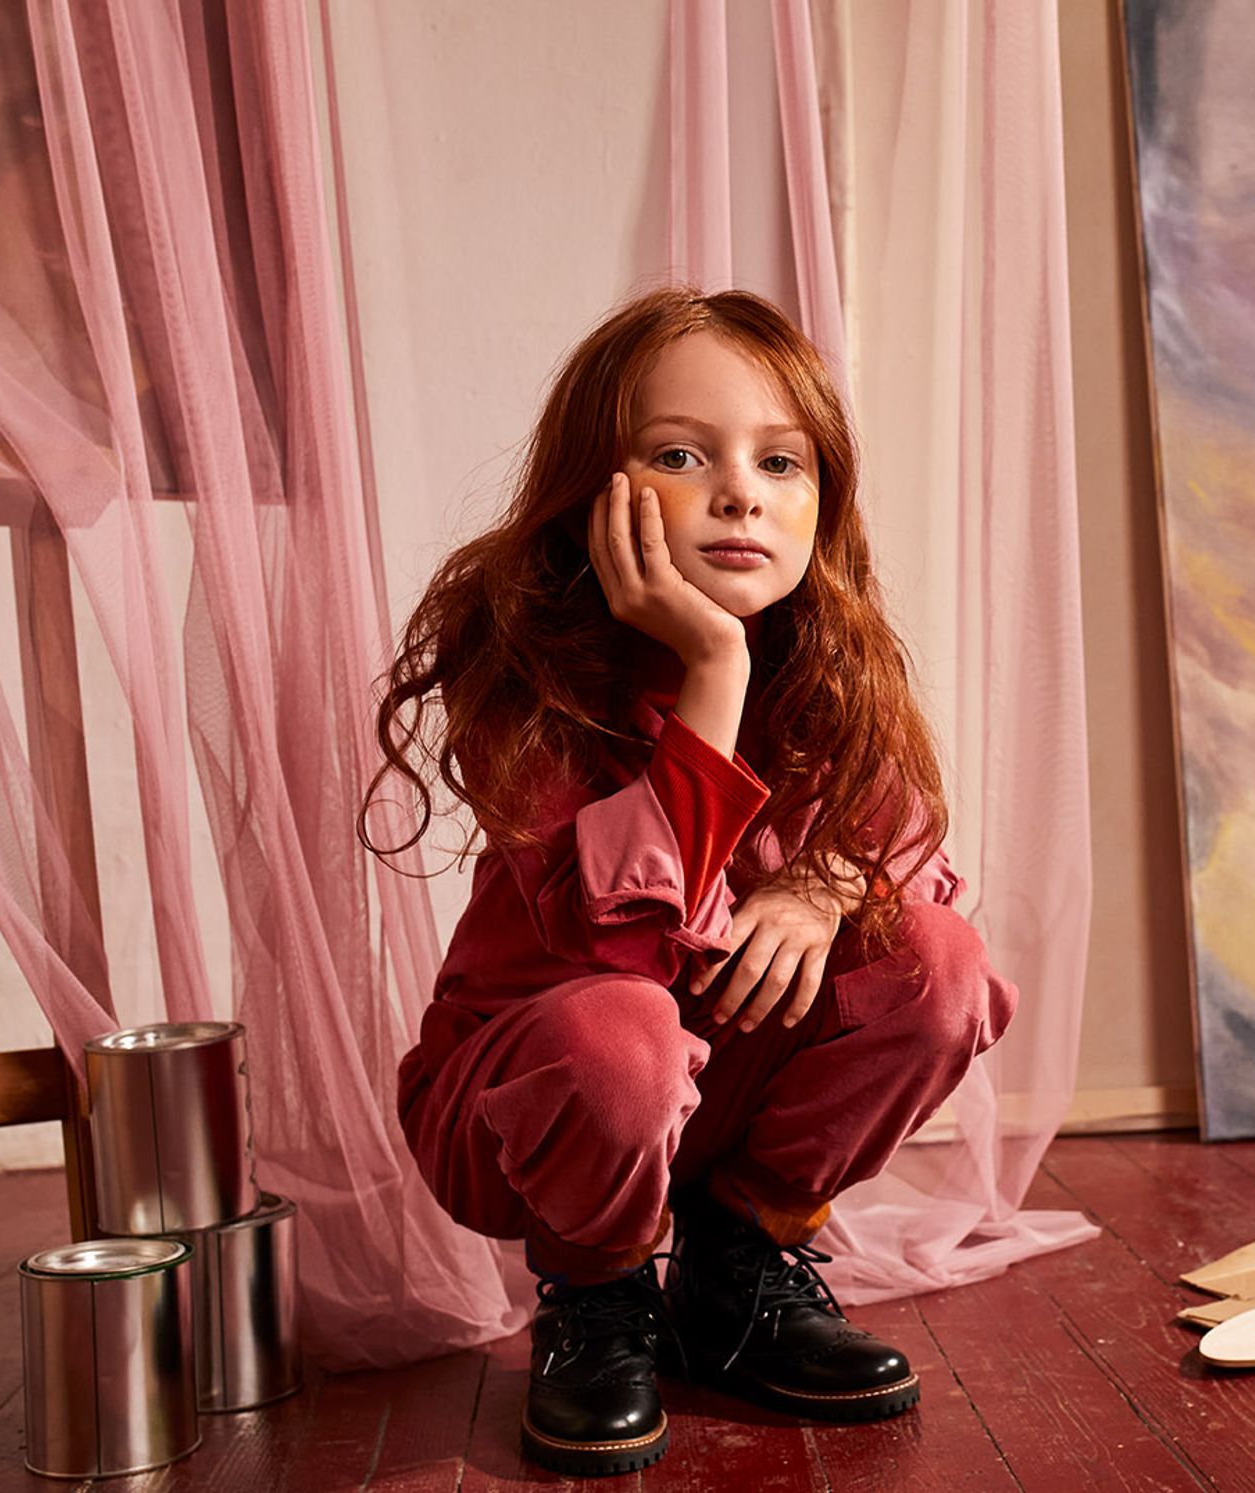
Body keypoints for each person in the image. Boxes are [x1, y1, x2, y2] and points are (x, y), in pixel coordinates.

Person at [368, 287, 1016, 1477]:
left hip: (706, 1087)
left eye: (781, 461)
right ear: (594, 491)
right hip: (533, 1098)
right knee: (622, 1029)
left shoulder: (825, 666)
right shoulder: (529, 685)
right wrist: (710, 665)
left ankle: (737, 1264)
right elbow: (618, 961)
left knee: (939, 961)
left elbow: (910, 843)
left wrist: (824, 881)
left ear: (821, 503)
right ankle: (597, 1289)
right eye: (681, 453)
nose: (740, 492)